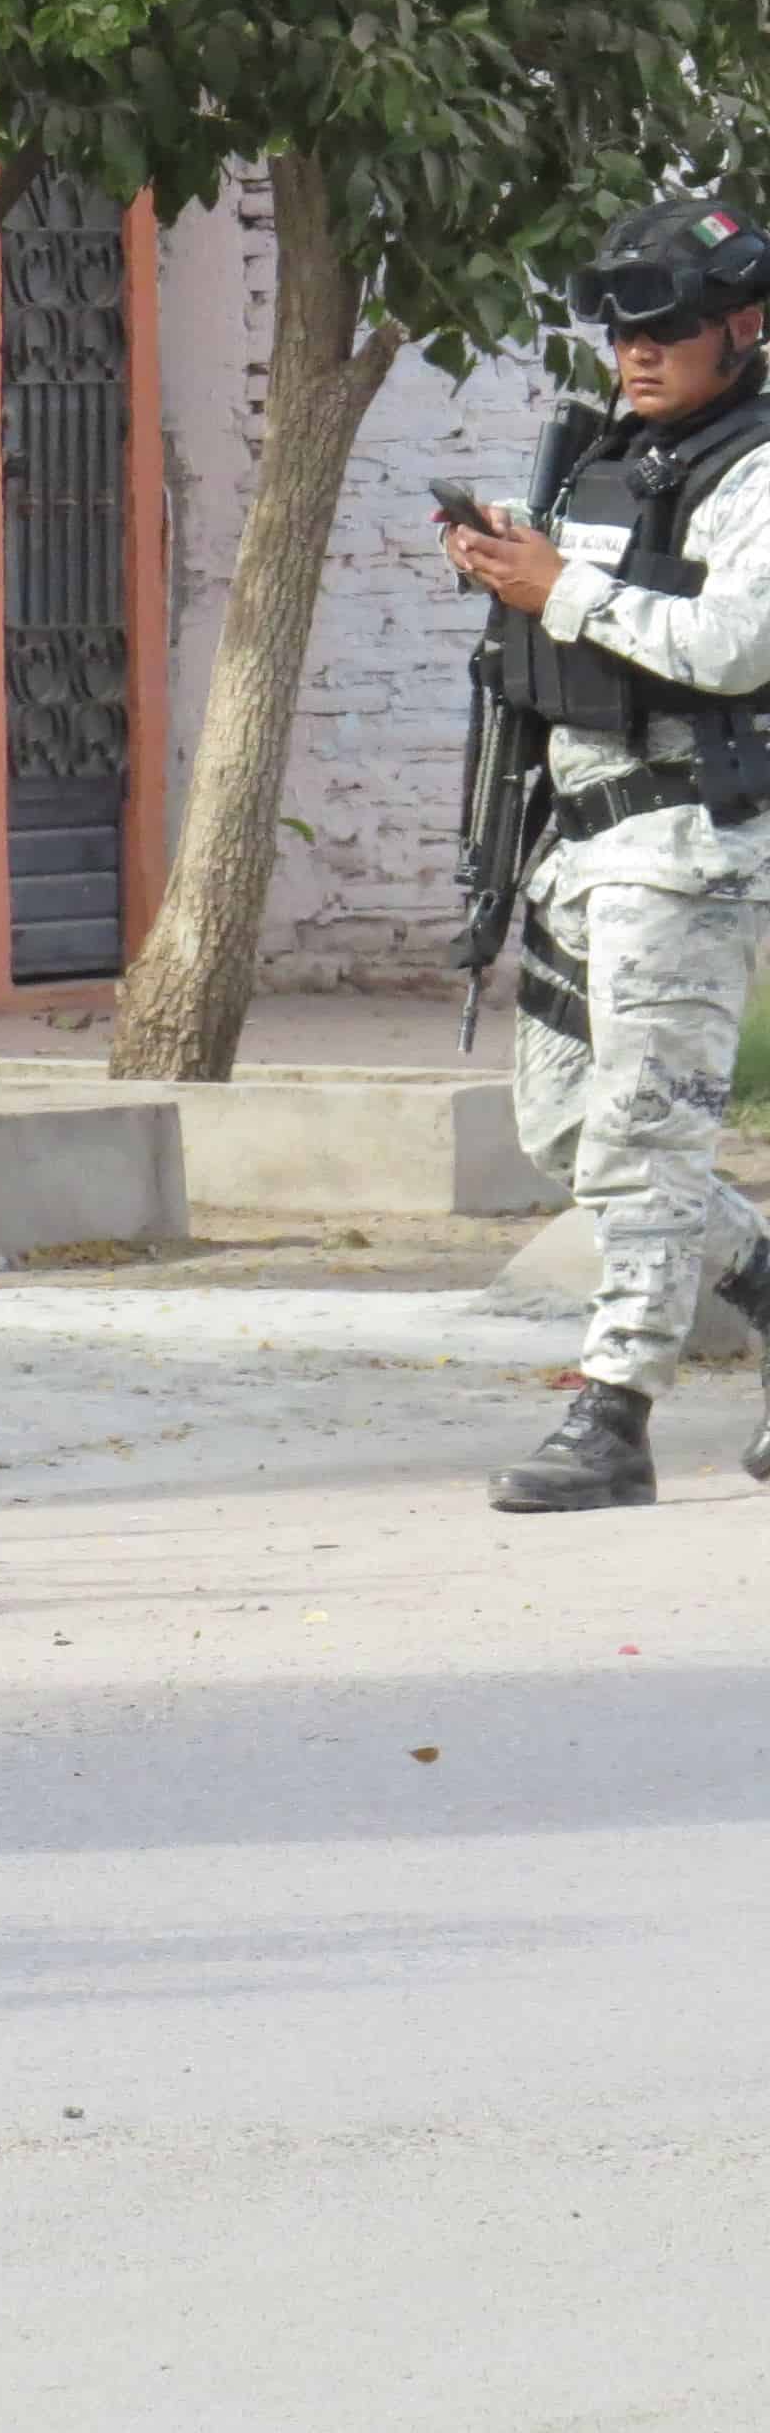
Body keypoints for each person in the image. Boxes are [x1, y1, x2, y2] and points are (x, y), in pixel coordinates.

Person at [444, 195, 770, 1514]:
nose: (639, 352)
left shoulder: (753, 468)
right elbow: (567, 641)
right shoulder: (604, 457)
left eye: (671, 329)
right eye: (623, 329)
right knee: (570, 1130)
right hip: (575, 841)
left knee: (644, 1133)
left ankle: (615, 1413)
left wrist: (557, 592)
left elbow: (738, 646)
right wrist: (509, 576)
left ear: (741, 329)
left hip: (684, 841)